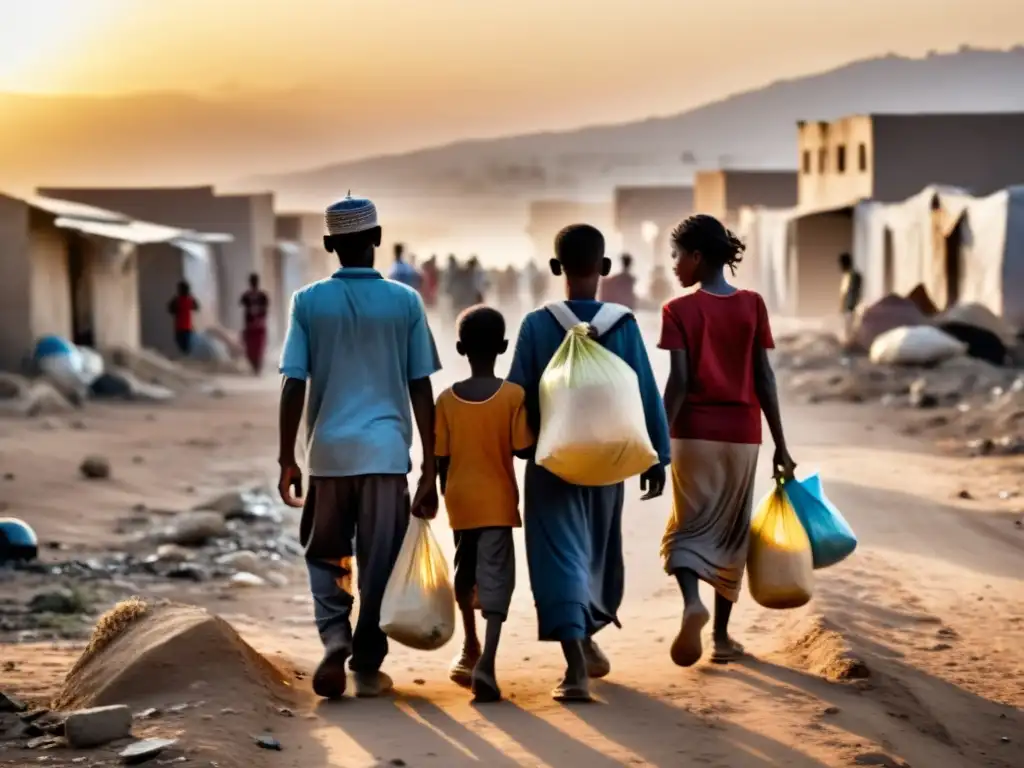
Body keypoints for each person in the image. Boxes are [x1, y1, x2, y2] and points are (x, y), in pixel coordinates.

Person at [277, 194, 441, 700]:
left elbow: (293, 383)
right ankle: (367, 659)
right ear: (376, 238)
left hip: (328, 456)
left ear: (330, 245)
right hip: (386, 456)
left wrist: (288, 457)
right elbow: (420, 386)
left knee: (325, 553)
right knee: (381, 561)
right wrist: (431, 465)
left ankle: (333, 639)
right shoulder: (405, 302)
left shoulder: (307, 302)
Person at [507, 224, 671, 702]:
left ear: (556, 268)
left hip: (552, 463)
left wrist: (517, 449)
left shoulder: (537, 325)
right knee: (596, 551)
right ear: (603, 268)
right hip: (608, 461)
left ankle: (576, 663)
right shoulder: (623, 324)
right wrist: (657, 456)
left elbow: (519, 394)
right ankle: (585, 644)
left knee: (559, 554)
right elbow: (643, 391)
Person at [659, 214, 796, 668]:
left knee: (687, 525)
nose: (675, 266)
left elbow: (678, 382)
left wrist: (659, 440)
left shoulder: (677, 311)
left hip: (692, 433)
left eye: (677, 256)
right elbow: (764, 377)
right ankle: (719, 638)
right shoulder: (752, 304)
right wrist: (781, 443)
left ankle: (690, 602)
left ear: (697, 256)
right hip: (743, 434)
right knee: (730, 531)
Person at [435, 305, 533, 703]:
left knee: (466, 572)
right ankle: (488, 662)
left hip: (460, 502)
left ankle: (469, 645)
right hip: (497, 502)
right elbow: (524, 448)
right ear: (505, 347)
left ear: (460, 348)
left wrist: (445, 495)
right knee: (496, 581)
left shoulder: (446, 400)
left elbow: (441, 458)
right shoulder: (513, 396)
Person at [240, 273, 269, 375]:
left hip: (258, 326)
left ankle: (257, 368)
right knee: (252, 348)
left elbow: (265, 309)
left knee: (257, 348)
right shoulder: (248, 296)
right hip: (252, 326)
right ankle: (255, 367)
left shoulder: (262, 296)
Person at [167, 280, 199, 355]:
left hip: (180, 328)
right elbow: (197, 307)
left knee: (182, 347)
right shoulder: (189, 300)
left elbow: (170, 309)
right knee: (186, 348)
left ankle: (185, 356)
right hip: (187, 328)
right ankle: (187, 357)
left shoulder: (177, 300)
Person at [838, 252, 863, 343]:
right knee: (846, 330)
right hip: (846, 309)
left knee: (850, 331)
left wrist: (852, 306)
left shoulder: (853, 276)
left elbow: (853, 293)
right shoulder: (847, 276)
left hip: (851, 308)